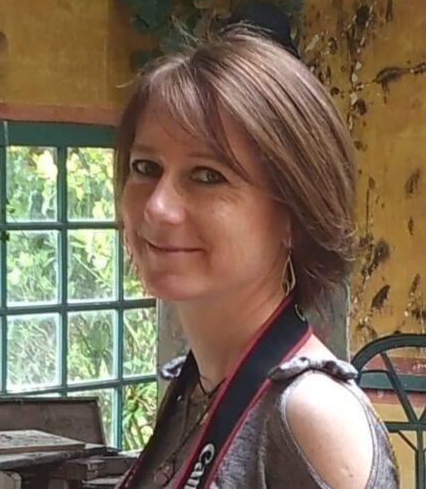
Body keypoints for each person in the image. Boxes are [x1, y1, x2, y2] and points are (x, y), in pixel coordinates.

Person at [113, 25, 399, 488]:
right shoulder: (198, 388)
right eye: (146, 168)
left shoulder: (311, 416)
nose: (157, 207)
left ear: (293, 215)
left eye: (207, 176)